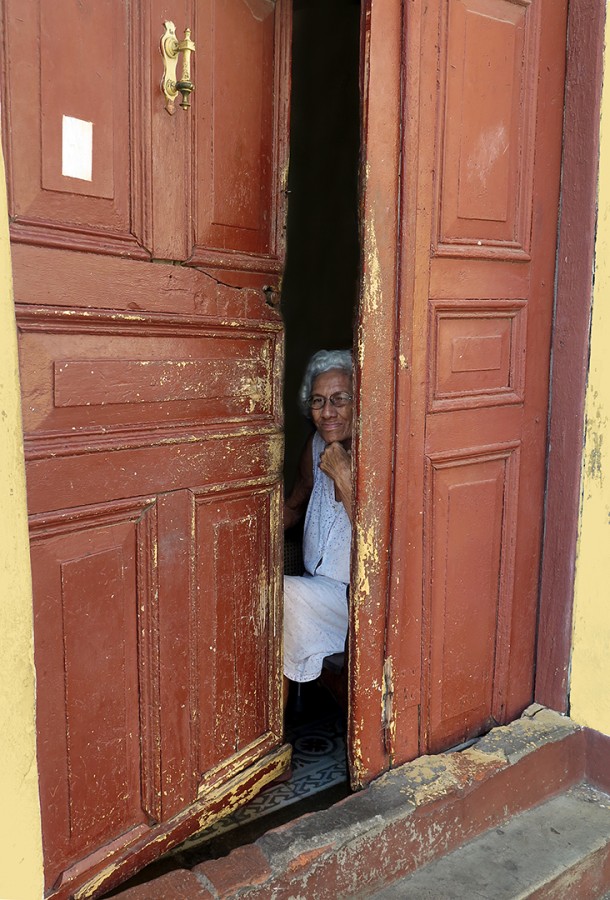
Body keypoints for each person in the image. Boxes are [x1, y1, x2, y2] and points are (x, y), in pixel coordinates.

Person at [283, 349, 353, 705]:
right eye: (318, 401)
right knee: (255, 587)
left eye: (339, 400)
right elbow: (294, 506)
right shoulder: (315, 445)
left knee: (275, 595)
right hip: (315, 591)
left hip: (355, 603)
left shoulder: (381, 449)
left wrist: (344, 474)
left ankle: (273, 730)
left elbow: (385, 538)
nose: (327, 413)